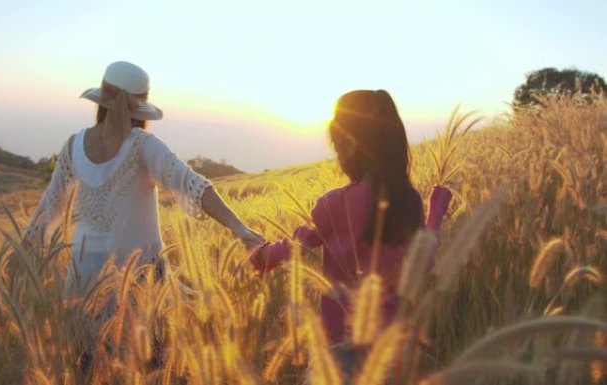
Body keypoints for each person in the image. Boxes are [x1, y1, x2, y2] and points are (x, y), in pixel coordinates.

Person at [23, 60, 265, 293]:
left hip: (133, 281)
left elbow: (193, 186)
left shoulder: (138, 146)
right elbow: (193, 185)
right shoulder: (81, 146)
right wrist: (238, 227)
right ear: (138, 107)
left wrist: (238, 227)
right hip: (92, 281)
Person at [250, 90, 452, 346]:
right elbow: (422, 262)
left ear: (351, 145)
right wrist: (437, 209)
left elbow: (298, 246)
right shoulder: (407, 200)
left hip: (339, 345)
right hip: (388, 346)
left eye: (336, 146)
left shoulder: (332, 203)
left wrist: (261, 256)